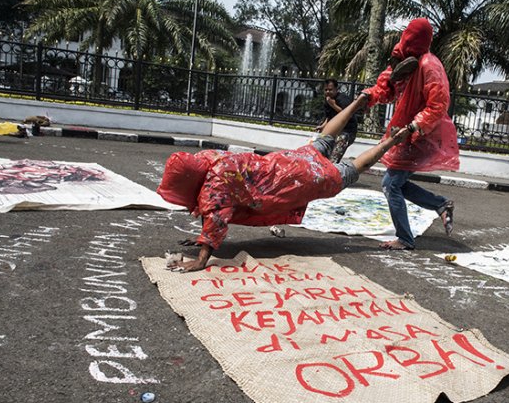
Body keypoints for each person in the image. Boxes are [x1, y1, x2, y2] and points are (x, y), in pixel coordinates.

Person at [158, 93, 410, 272]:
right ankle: (357, 101)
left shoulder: (214, 186)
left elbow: (216, 218)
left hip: (302, 180)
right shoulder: (208, 158)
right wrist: (201, 236)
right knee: (324, 139)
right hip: (291, 159)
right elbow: (211, 210)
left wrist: (201, 259)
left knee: (350, 170)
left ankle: (391, 141)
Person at [361, 18, 460, 251]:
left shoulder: (429, 65)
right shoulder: (401, 59)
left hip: (421, 135)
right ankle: (441, 205)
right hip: (404, 133)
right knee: (396, 183)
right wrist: (369, 96)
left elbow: (438, 104)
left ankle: (405, 238)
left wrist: (416, 126)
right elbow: (386, 89)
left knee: (391, 184)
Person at [314, 79, 358, 163]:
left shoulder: (343, 99)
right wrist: (323, 126)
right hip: (334, 131)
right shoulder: (327, 100)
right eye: (326, 90)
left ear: (336, 89)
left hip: (347, 132)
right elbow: (329, 117)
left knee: (334, 158)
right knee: (320, 150)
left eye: (330, 90)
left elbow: (347, 114)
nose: (328, 92)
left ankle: (331, 171)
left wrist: (333, 105)